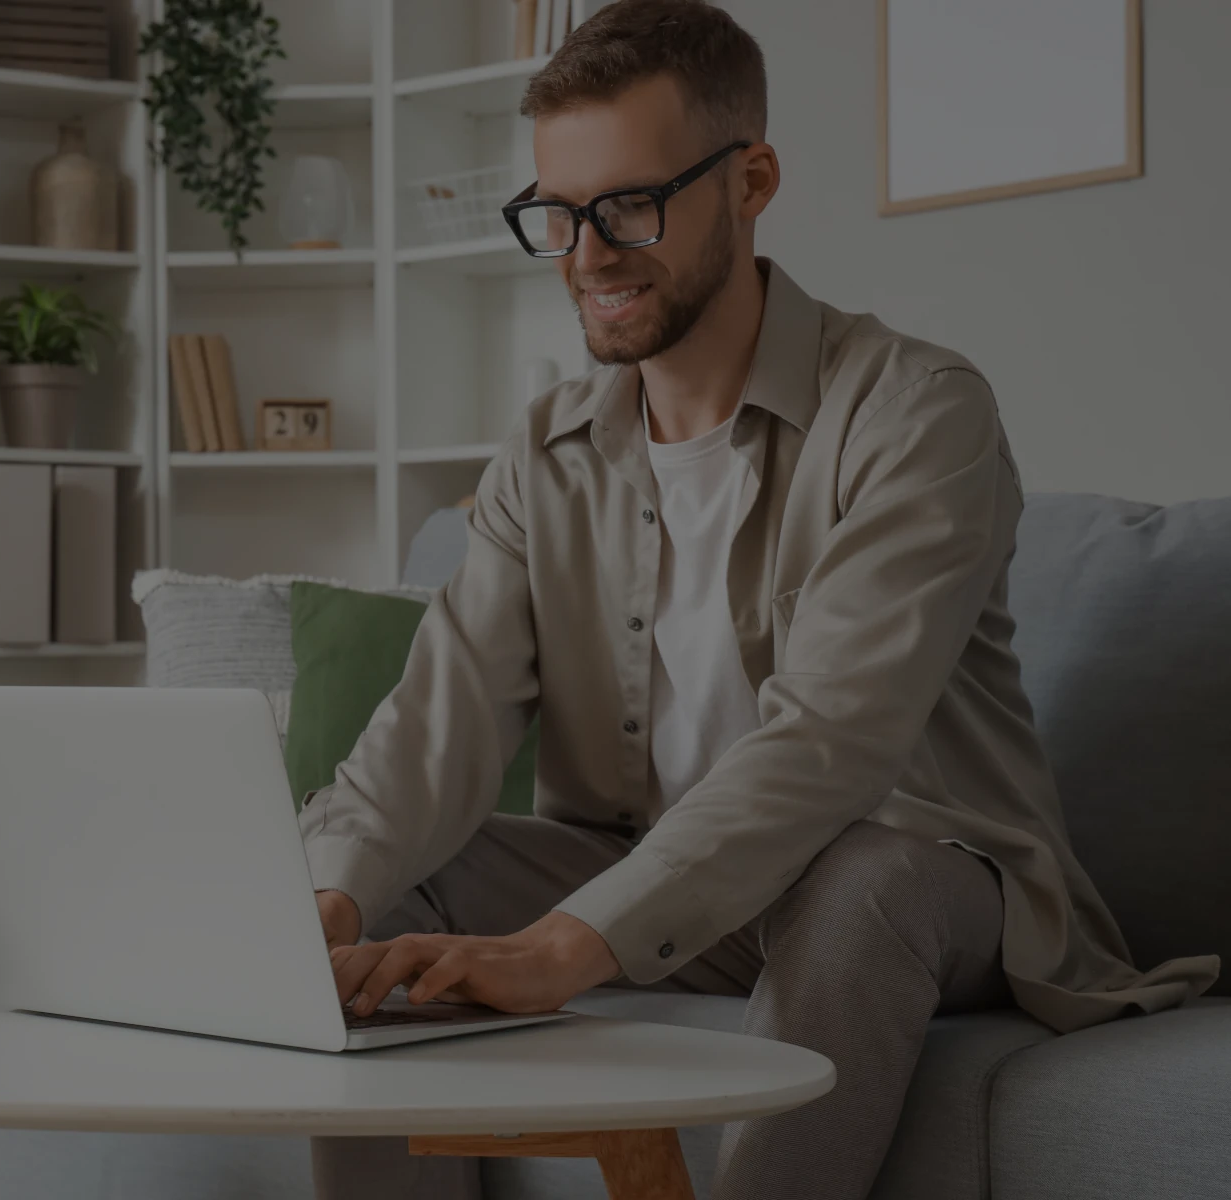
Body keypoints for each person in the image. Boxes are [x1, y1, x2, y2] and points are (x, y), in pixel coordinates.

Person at [299, 3, 1218, 1198]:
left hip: (918, 881)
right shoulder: (545, 451)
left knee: (864, 878)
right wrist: (322, 900)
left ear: (753, 179)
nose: (586, 252)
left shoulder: (915, 411)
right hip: (652, 870)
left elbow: (832, 743)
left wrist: (565, 948)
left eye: (628, 204)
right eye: (556, 213)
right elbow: (441, 723)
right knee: (382, 896)